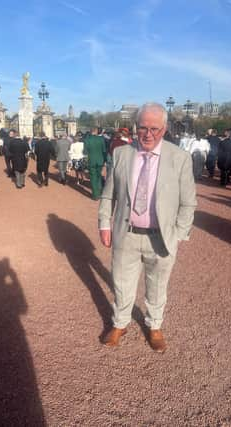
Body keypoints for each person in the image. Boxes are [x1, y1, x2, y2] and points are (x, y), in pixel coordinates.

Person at [98, 103, 197, 353]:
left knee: (157, 286)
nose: (148, 134)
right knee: (121, 283)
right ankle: (120, 323)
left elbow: (188, 202)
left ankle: (154, 326)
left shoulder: (180, 158)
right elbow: (108, 195)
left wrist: (179, 234)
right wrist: (104, 223)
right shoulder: (122, 154)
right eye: (143, 127)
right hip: (127, 234)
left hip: (161, 237)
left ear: (164, 129)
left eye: (154, 128)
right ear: (135, 127)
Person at [84, 127, 106, 200]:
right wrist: (104, 160)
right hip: (100, 160)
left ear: (91, 132)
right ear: (96, 132)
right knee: (99, 176)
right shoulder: (101, 139)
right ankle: (99, 192)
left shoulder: (87, 140)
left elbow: (85, 152)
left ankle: (95, 195)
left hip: (91, 161)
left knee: (93, 177)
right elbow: (104, 151)